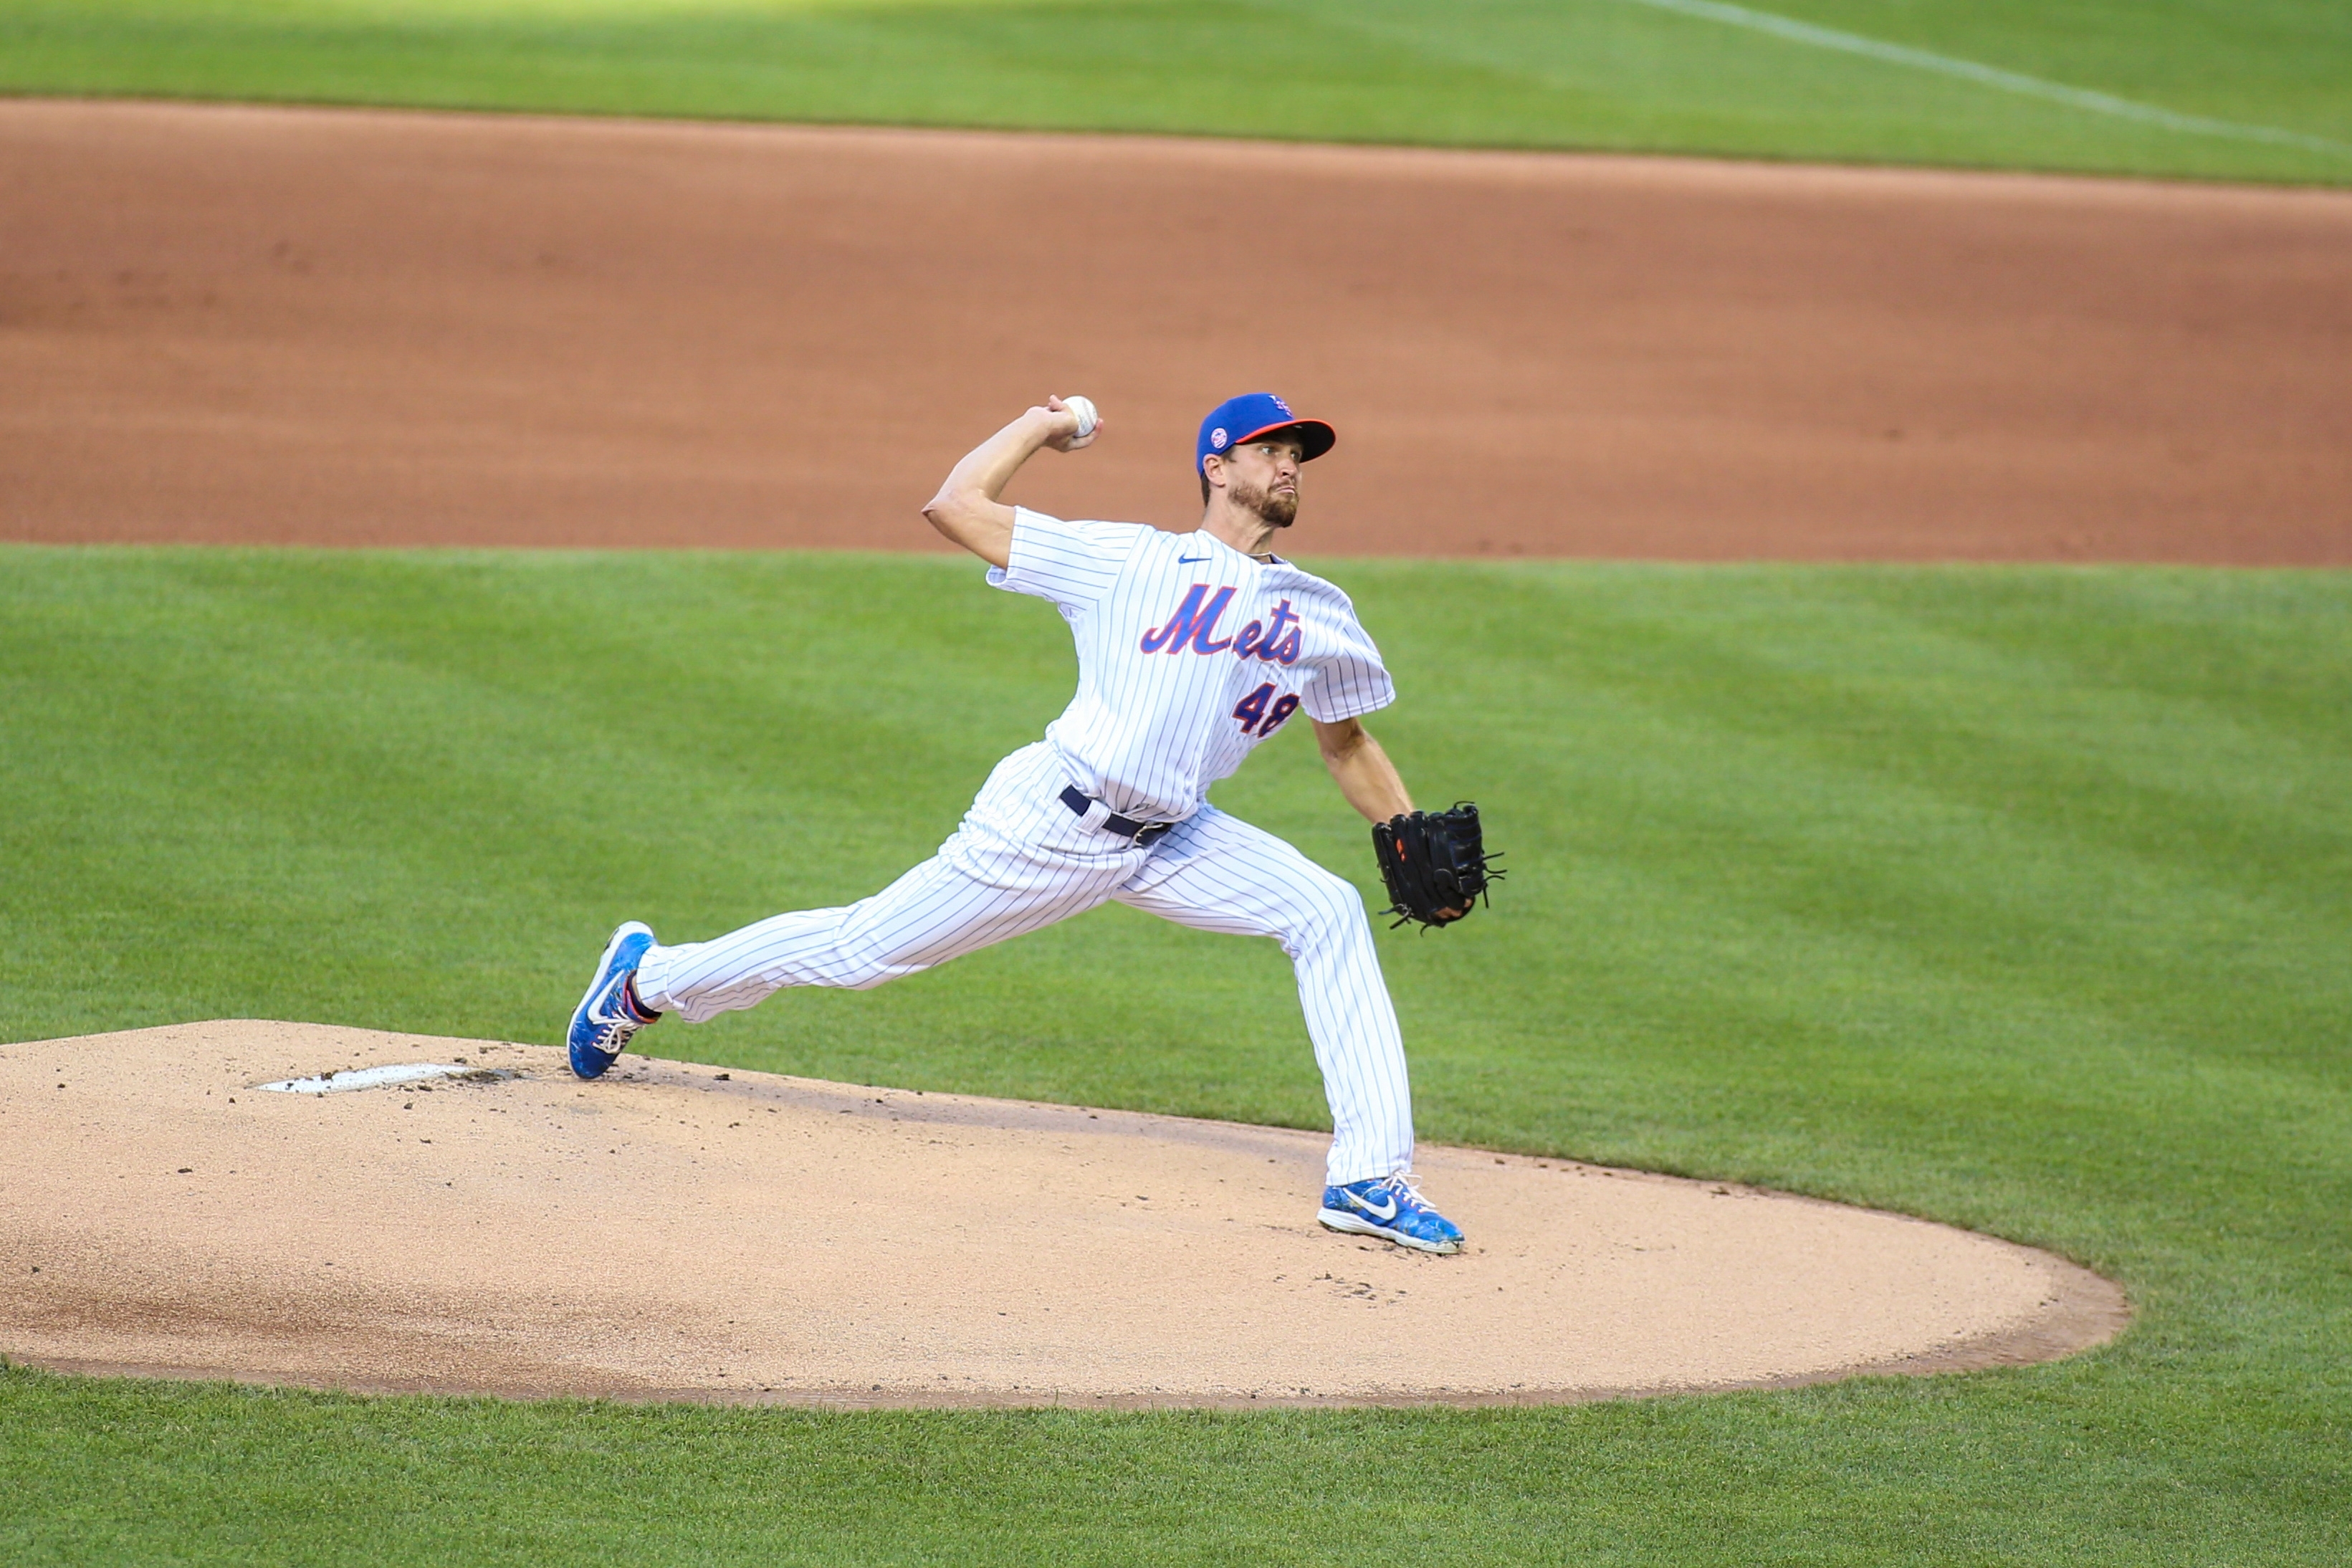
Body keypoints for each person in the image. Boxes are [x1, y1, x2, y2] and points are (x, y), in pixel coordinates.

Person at [566, 392, 1465, 1253]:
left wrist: (1407, 824)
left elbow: (1347, 743)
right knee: (863, 949)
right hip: (1051, 824)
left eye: (1297, 454)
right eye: (1270, 450)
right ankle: (648, 980)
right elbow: (956, 506)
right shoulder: (1128, 560)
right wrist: (1042, 425)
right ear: (1216, 467)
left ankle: (1368, 1178)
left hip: (1178, 837)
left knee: (1327, 910)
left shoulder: (1319, 610)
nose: (1290, 465)